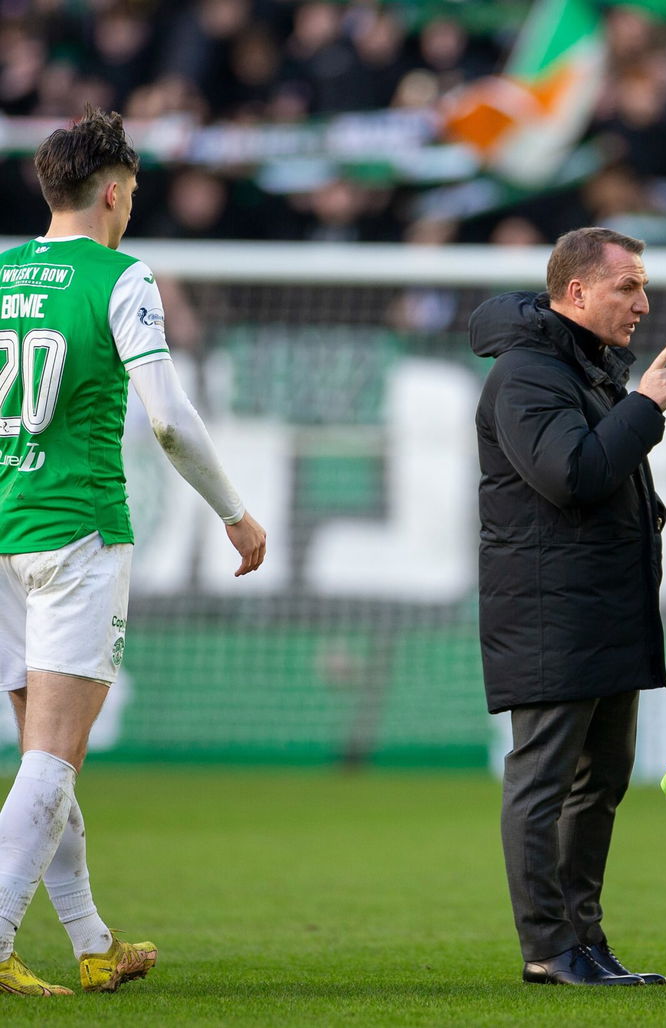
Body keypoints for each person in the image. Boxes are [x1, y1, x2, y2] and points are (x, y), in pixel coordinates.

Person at [0, 106, 267, 997]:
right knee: (53, 757)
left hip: (1, 532)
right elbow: (166, 417)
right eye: (134, 193)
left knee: (46, 755)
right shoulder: (121, 276)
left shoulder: (1, 270)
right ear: (113, 192)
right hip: (74, 531)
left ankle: (90, 940)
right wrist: (234, 512)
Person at [470, 227, 666, 988]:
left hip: (603, 611)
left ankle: (584, 940)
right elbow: (574, 475)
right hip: (551, 613)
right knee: (545, 780)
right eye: (629, 287)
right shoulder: (526, 376)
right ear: (578, 291)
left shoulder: (582, 371)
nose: (643, 303)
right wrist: (646, 407)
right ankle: (547, 946)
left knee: (601, 779)